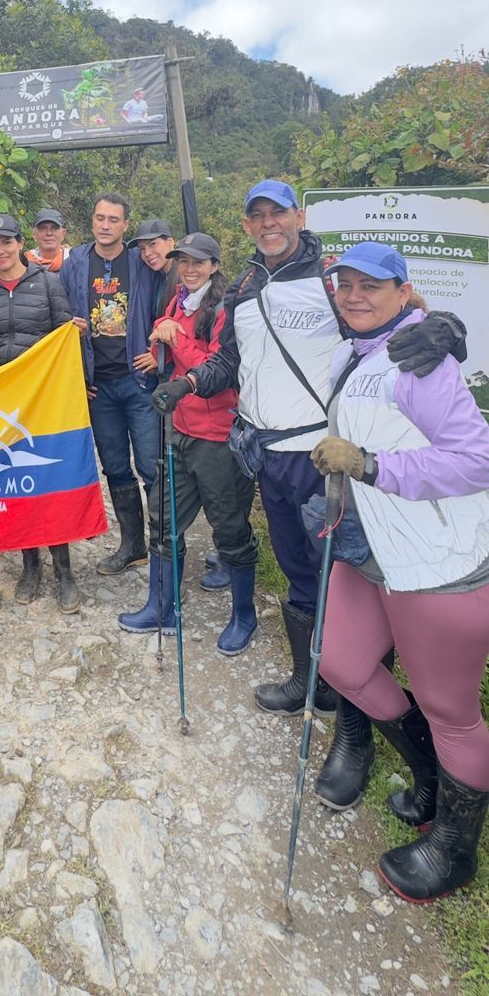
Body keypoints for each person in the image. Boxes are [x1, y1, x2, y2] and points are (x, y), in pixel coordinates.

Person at [154, 179, 466, 809]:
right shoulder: (245, 286)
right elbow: (233, 364)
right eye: (257, 215)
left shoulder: (332, 280)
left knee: (343, 584)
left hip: (325, 458)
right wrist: (188, 383)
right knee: (300, 572)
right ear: (247, 225)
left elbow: (393, 318)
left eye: (279, 213)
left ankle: (353, 734)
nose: (269, 223)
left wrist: (442, 328)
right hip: (266, 453)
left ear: (300, 216)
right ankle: (311, 682)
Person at [312, 243, 489, 901]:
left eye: (372, 285)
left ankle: (455, 850)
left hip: (437, 558)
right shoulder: (359, 351)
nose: (354, 295)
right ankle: (431, 772)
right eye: (346, 284)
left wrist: (370, 465)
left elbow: (476, 460)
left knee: (452, 711)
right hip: (373, 548)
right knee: (340, 662)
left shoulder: (421, 357)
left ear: (402, 291)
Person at [121, 234, 257, 653]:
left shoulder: (224, 309)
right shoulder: (178, 301)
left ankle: (244, 615)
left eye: (199, 262)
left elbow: (221, 370)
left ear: (215, 265)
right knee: (163, 519)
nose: (190, 268)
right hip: (179, 429)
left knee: (230, 529)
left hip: (218, 436)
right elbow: (161, 349)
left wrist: (176, 338)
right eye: (184, 261)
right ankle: (161, 607)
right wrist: (164, 335)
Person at [0, 214, 77, 611]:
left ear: (19, 243)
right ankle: (31, 565)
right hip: (2, 401)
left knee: (48, 479)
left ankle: (64, 570)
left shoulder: (47, 283)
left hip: (42, 398)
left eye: (6, 243)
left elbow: (64, 333)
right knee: (14, 481)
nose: (0, 251)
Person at [60, 193, 159, 575]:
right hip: (98, 385)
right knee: (115, 468)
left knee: (152, 467)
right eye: (100, 217)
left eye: (113, 219)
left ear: (125, 225)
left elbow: (166, 306)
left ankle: (165, 548)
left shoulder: (140, 261)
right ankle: (132, 546)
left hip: (138, 382)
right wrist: (70, 331)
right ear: (92, 220)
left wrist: (158, 354)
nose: (105, 225)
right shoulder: (76, 262)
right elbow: (59, 311)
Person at [26, 208, 70, 272]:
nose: (49, 233)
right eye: (43, 228)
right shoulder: (23, 263)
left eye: (54, 228)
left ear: (63, 234)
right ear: (34, 234)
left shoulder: (75, 262)